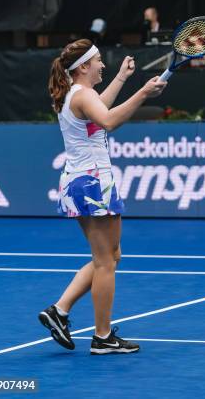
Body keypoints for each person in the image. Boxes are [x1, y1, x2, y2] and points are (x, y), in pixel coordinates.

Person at [41, 39, 166, 354]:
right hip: (94, 183)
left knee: (109, 257)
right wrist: (143, 93)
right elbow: (109, 120)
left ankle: (60, 310)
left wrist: (123, 79)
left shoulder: (78, 95)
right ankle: (102, 337)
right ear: (83, 66)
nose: (103, 65)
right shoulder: (82, 96)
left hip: (79, 182)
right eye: (98, 60)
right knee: (106, 262)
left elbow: (101, 108)